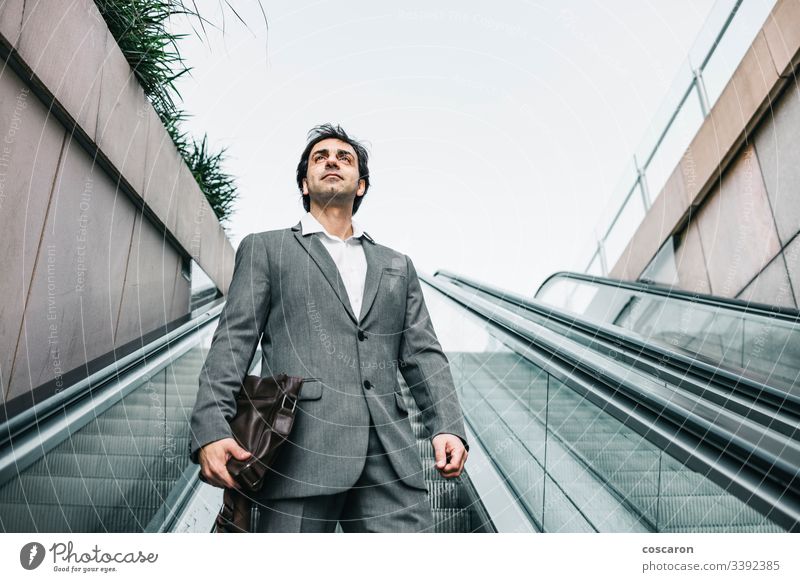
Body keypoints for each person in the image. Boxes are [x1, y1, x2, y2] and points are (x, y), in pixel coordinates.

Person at [188, 123, 469, 532]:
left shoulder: (397, 265)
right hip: (297, 450)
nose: (332, 161)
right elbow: (233, 343)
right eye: (320, 158)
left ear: (361, 186)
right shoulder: (267, 249)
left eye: (345, 158)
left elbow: (423, 353)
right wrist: (211, 428)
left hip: (390, 460)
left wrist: (447, 426)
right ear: (305, 184)